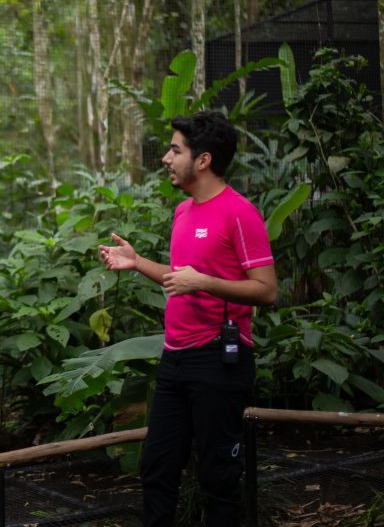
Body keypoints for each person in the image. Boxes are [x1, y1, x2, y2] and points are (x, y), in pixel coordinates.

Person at [99, 111, 277, 527]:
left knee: (219, 477)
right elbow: (183, 280)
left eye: (175, 150)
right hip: (174, 358)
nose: (166, 158)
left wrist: (205, 281)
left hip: (218, 359)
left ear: (203, 160)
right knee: (157, 469)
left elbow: (267, 290)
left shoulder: (239, 212)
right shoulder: (183, 212)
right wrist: (137, 261)